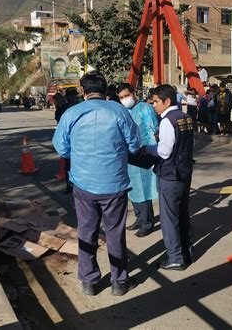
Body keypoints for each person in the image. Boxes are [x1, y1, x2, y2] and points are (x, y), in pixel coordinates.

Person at [53, 72, 141, 296]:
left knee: (87, 232)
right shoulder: (119, 111)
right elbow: (134, 144)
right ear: (105, 90)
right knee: (114, 232)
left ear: (84, 92)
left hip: (84, 184)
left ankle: (89, 281)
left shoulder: (71, 113)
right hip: (114, 183)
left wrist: (81, 156)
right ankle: (119, 281)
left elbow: (61, 148)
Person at [145, 84, 194, 271]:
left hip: (170, 174)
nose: (153, 105)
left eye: (156, 101)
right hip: (184, 171)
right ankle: (186, 252)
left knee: (168, 218)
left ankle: (175, 257)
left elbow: (164, 151)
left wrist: (147, 149)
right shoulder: (185, 117)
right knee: (182, 214)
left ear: (167, 101)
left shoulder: (167, 120)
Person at [118, 83, 159, 237]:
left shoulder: (144, 108)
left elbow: (153, 129)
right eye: (121, 97)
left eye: (126, 96)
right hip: (129, 155)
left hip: (143, 153)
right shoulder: (123, 111)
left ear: (133, 93)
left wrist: (151, 150)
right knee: (133, 188)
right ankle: (139, 218)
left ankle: (147, 223)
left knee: (144, 189)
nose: (124, 99)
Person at [58, 88, 80, 193]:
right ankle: (69, 185)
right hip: (69, 140)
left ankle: (79, 185)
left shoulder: (82, 107)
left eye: (75, 95)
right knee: (68, 165)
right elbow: (58, 119)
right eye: (71, 95)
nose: (73, 97)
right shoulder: (63, 109)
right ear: (67, 97)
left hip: (81, 140)